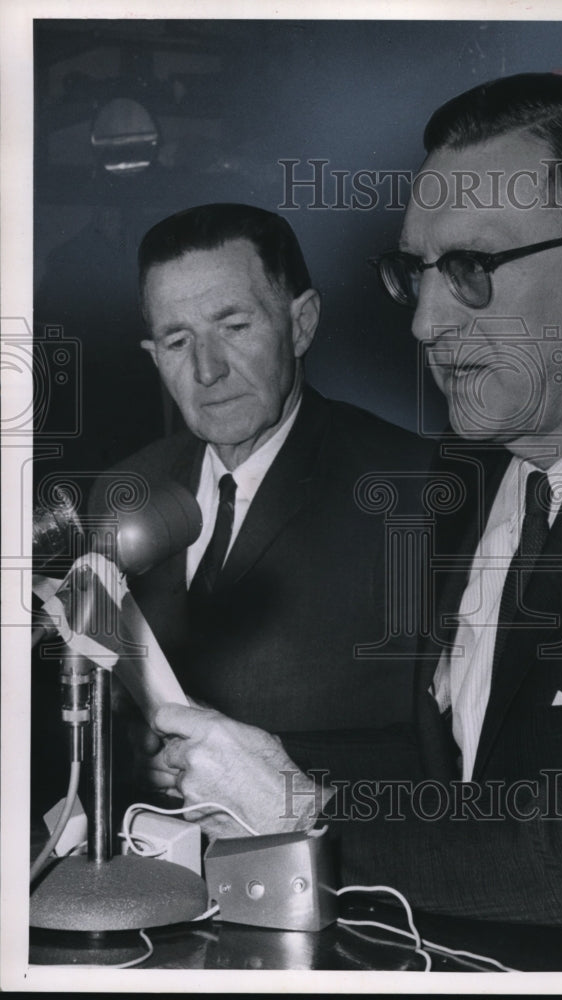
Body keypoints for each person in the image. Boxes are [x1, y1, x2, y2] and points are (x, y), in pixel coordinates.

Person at [147, 76, 562, 945]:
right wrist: (239, 771)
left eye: (470, 270)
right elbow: (462, 771)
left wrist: (304, 809)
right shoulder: (468, 474)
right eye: (414, 272)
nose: (424, 323)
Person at [88, 203, 431, 790]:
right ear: (154, 356)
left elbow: (445, 750)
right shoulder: (124, 491)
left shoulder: (415, 490)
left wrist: (264, 768)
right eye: (177, 340)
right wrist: (131, 759)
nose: (207, 370)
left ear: (301, 324)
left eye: (235, 327)